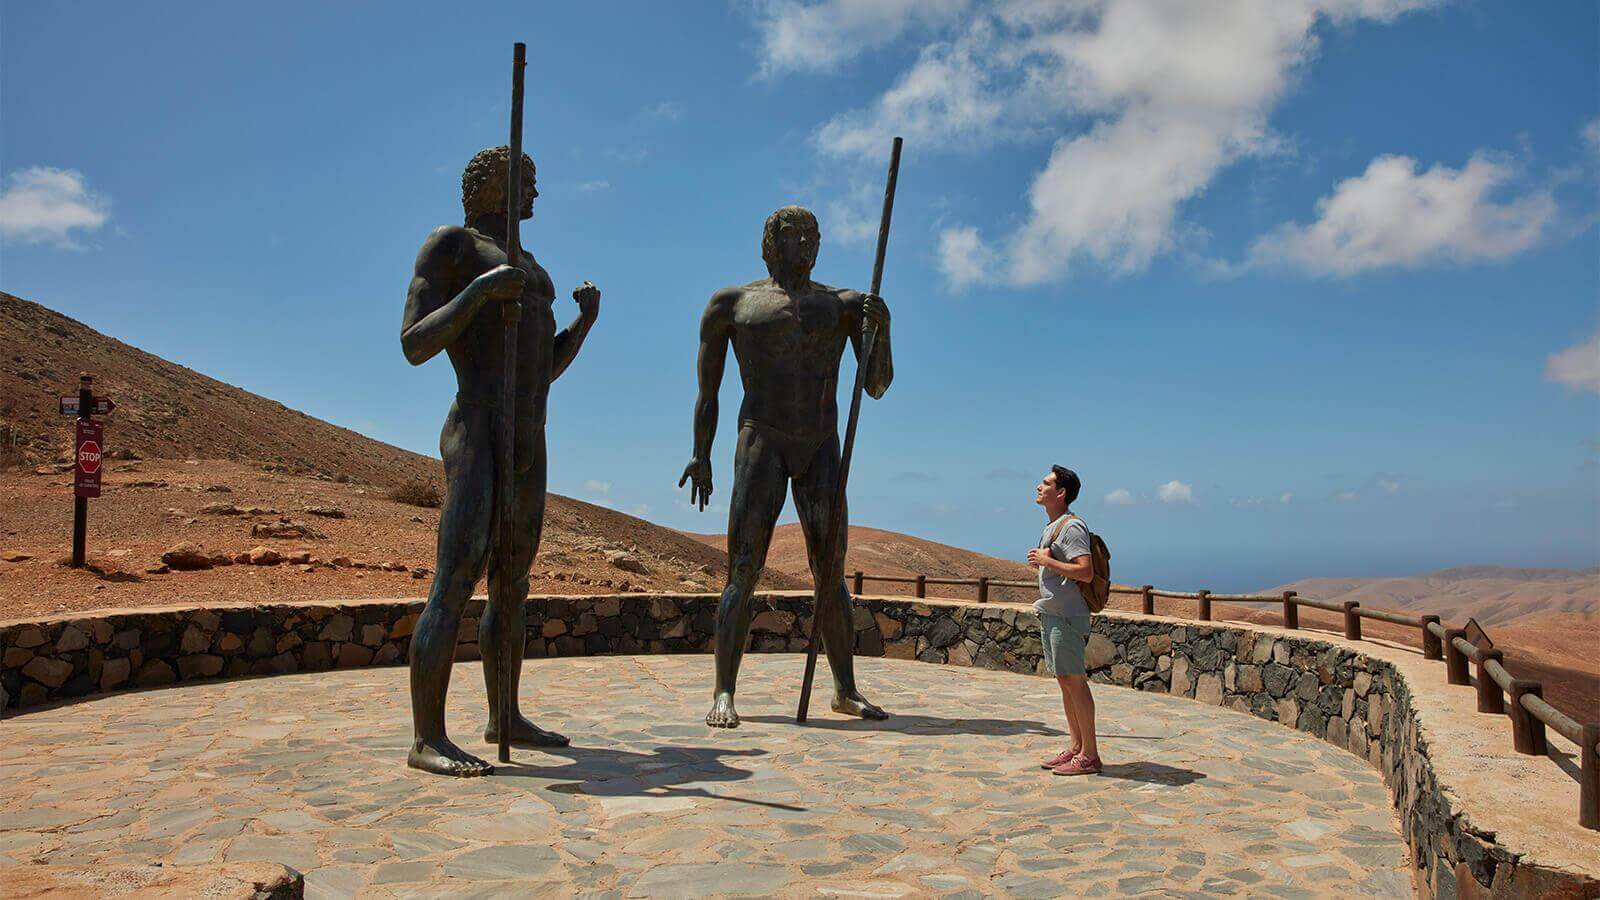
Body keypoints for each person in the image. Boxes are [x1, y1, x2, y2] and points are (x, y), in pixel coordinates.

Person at [399, 146, 600, 777]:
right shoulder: (452, 246)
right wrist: (482, 293)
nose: (535, 196)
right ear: (491, 185)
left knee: (512, 587)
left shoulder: (533, 267)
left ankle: (504, 714)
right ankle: (426, 738)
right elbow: (414, 343)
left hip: (529, 437)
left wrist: (583, 324)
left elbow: (543, 371)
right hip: (478, 428)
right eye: (525, 183)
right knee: (456, 581)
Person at [679, 205, 893, 728]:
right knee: (743, 570)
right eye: (796, 235)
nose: (807, 244)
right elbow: (708, 393)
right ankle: (723, 692)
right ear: (771, 243)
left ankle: (844, 689)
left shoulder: (842, 306)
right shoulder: (732, 304)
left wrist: (880, 329)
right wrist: (701, 454)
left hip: (820, 444)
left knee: (831, 573)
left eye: (814, 235)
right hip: (761, 442)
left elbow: (877, 384)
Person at [1027, 465, 1102, 776]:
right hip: (1054, 613)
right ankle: (1076, 747)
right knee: (1064, 680)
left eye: (1046, 483)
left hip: (1068, 617)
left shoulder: (1072, 527)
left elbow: (1086, 571)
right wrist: (1047, 565)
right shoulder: (1053, 525)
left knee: (1075, 680)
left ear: (1061, 493)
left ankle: (1090, 755)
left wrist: (1047, 561)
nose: (1038, 486)